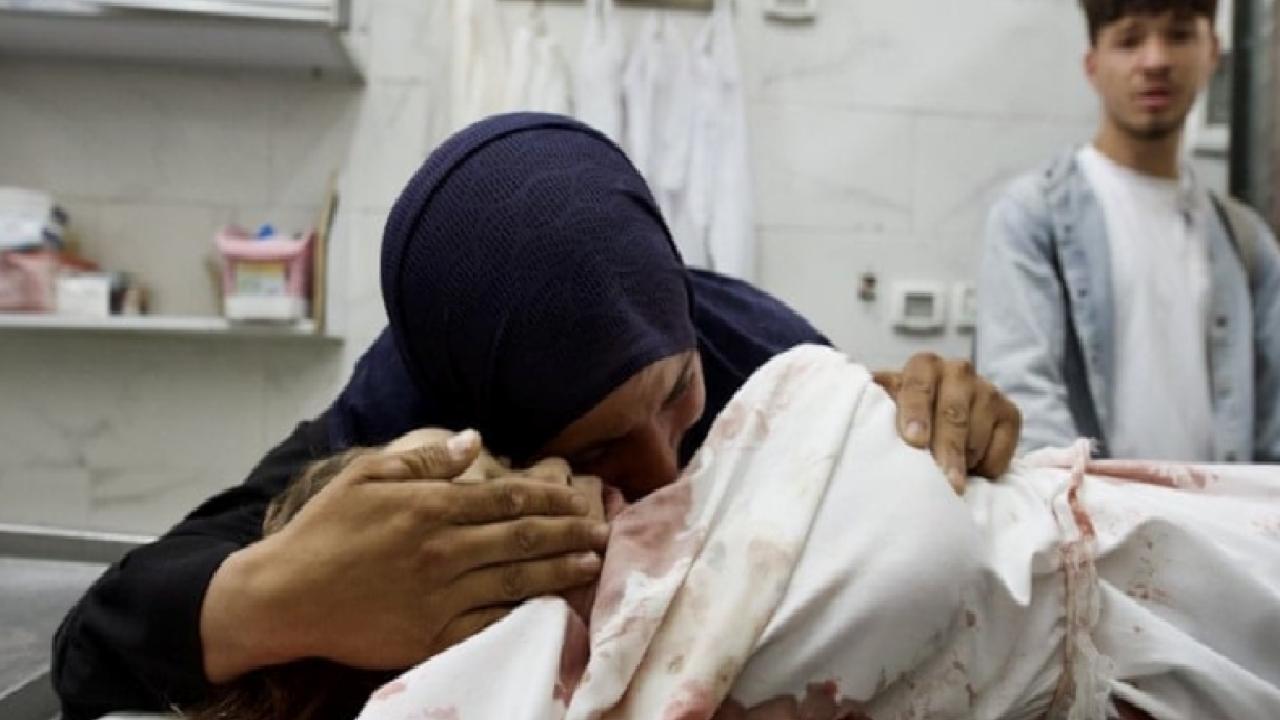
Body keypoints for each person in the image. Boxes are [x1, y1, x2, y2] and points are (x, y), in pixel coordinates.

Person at [52, 113, 1022, 720]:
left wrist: (941, 422)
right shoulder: (405, 427)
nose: (662, 472)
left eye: (676, 397)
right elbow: (98, 647)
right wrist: (284, 596)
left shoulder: (747, 347)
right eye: (594, 449)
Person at [192, 347, 1280, 720]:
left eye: (676, 395)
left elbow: (838, 415)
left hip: (1152, 529)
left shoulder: (721, 419)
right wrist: (264, 605)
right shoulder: (520, 665)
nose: (646, 471)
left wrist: (918, 402)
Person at [976, 0, 1280, 462]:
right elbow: (1024, 404)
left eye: (1179, 35)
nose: (1155, 60)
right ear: (1092, 64)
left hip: (1221, 508)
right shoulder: (1033, 218)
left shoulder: (1247, 243)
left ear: (1212, 53)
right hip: (1088, 506)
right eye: (1129, 40)